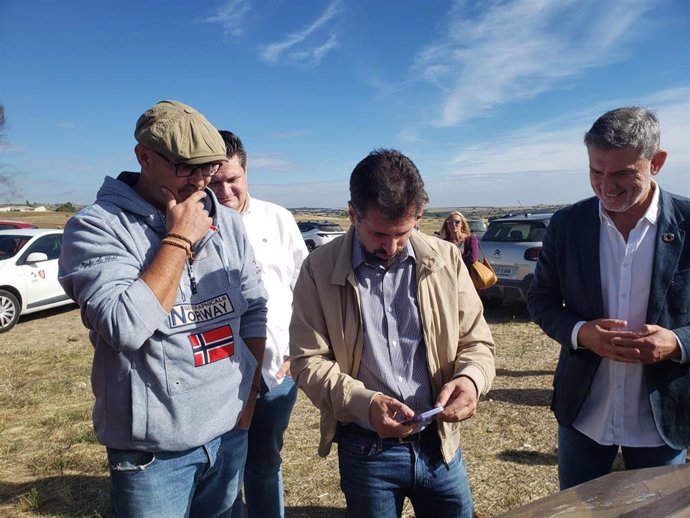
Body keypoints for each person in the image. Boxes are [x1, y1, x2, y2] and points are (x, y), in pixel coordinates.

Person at [58, 100, 268, 517]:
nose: (200, 182)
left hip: (229, 433)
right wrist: (177, 241)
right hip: (152, 457)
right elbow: (123, 326)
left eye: (208, 167)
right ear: (144, 157)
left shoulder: (226, 221)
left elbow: (255, 307)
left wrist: (250, 396)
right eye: (186, 167)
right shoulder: (96, 227)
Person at [289, 148, 496, 518]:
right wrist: (365, 404)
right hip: (367, 451)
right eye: (379, 233)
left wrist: (471, 380)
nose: (391, 246)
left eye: (404, 232)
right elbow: (307, 362)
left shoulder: (446, 259)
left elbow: (477, 341)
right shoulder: (318, 269)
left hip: (441, 446)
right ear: (353, 213)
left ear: (418, 216)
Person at [527, 106, 690, 490]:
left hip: (661, 417)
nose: (606, 186)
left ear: (657, 163)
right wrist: (583, 333)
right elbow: (540, 299)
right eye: (595, 172)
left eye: (622, 173)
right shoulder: (567, 225)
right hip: (584, 412)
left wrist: (677, 342)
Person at [208, 130, 308, 518]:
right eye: (215, 181)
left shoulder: (278, 219)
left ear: (247, 172)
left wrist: (297, 350)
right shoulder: (195, 224)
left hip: (276, 372)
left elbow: (305, 290)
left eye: (232, 179)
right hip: (220, 375)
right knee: (224, 470)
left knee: (265, 464)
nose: (225, 190)